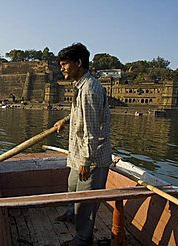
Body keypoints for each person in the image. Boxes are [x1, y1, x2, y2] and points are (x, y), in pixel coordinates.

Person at [54, 43, 112, 246]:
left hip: (92, 157)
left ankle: (82, 239)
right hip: (79, 153)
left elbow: (92, 130)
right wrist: (65, 120)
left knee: (85, 202)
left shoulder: (89, 90)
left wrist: (86, 162)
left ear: (79, 63)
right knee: (72, 186)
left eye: (65, 64)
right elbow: (83, 115)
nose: (62, 68)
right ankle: (71, 215)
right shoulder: (81, 86)